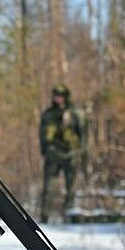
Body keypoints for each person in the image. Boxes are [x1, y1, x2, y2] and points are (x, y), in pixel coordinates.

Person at [37, 83, 85, 222]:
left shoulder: (75, 114)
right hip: (53, 155)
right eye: (56, 96)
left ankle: (68, 217)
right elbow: (42, 135)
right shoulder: (49, 114)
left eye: (60, 96)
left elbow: (83, 134)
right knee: (49, 189)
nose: (58, 99)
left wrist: (80, 152)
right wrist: (45, 151)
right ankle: (44, 217)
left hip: (71, 154)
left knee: (71, 189)